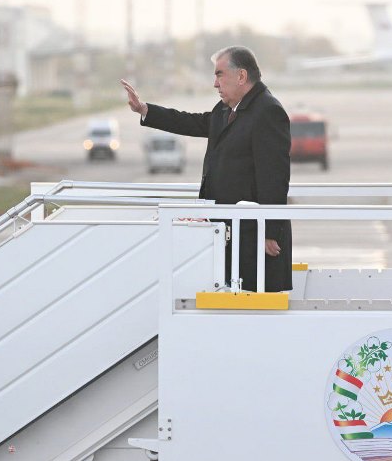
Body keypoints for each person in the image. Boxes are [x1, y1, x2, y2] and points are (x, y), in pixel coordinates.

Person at [121, 46, 292, 292]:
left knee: (253, 305)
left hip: (254, 237)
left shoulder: (268, 111)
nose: (215, 83)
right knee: (225, 301)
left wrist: (270, 231)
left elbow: (274, 177)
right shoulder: (227, 109)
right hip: (228, 232)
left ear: (241, 76)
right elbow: (191, 122)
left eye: (220, 74)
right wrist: (145, 110)